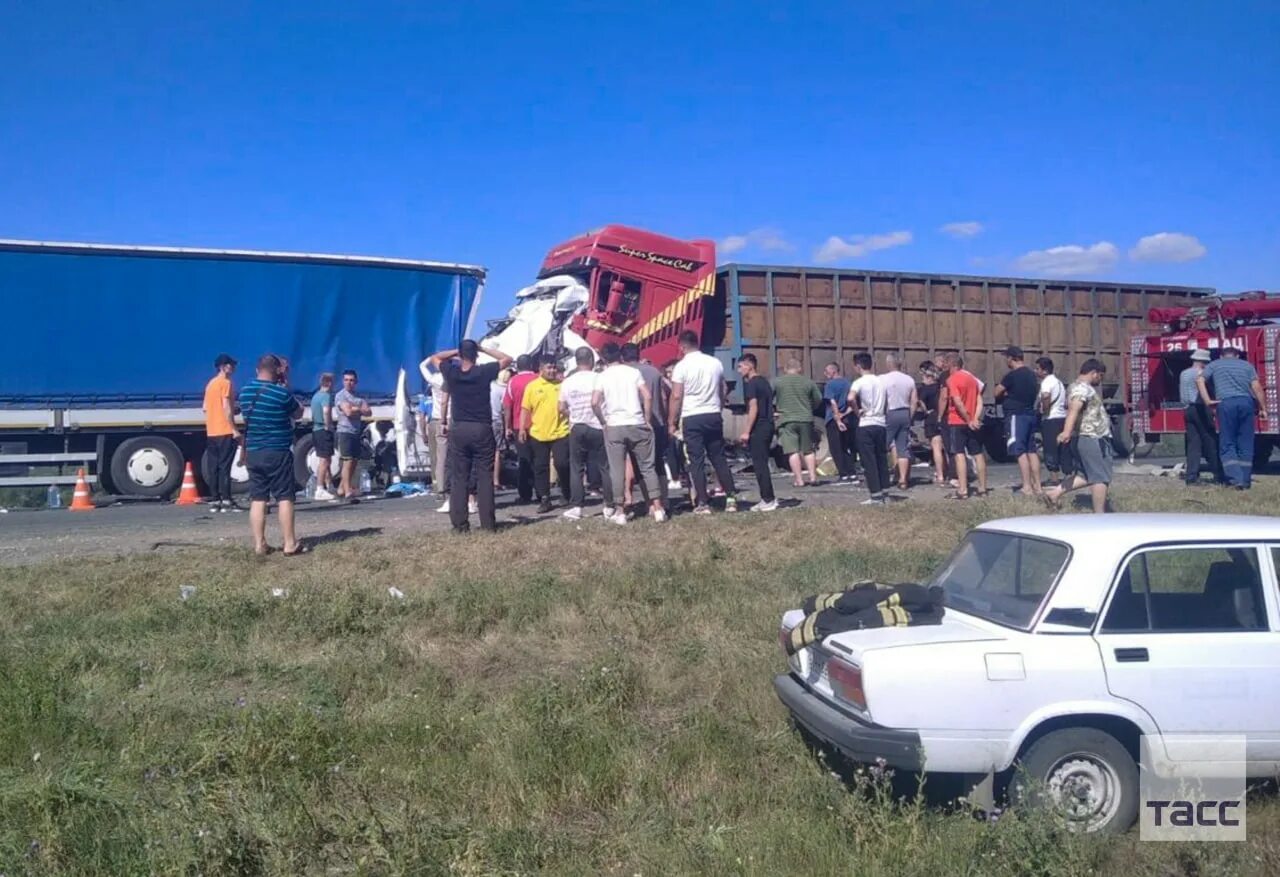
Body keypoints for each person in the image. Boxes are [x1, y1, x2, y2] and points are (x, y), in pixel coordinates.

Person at [425, 340, 512, 532]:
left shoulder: (452, 373)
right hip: (481, 427)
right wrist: (481, 348)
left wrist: (457, 351)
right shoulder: (484, 372)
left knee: (459, 477)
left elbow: (435, 358)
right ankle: (488, 524)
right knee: (484, 477)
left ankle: (460, 524)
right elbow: (507, 359)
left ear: (461, 356)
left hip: (459, 428)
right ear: (476, 356)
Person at [592, 343, 667, 524]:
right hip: (637, 422)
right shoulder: (633, 373)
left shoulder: (602, 376)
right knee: (648, 467)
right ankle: (657, 508)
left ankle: (620, 511)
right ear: (621, 356)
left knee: (617, 470)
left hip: (615, 425)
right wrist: (647, 419)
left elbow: (594, 402)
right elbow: (647, 396)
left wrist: (603, 422)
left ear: (603, 358)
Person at [237, 353, 304, 554]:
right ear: (277, 371)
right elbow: (298, 413)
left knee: (258, 498)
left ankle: (259, 544)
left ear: (258, 369)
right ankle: (289, 543)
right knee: (285, 497)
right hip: (277, 450)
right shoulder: (281, 393)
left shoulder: (245, 392)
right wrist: (286, 385)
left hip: (254, 452)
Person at [668, 331, 737, 514]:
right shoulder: (714, 362)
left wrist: (671, 422)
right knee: (719, 457)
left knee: (696, 460)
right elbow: (723, 387)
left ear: (682, 346)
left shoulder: (681, 367)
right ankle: (731, 498)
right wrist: (719, 405)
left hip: (692, 416)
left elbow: (676, 396)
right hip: (713, 413)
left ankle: (703, 502)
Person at [1044, 359, 1112, 513]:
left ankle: (1054, 494)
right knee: (1100, 477)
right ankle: (1100, 515)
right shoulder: (1082, 389)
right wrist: (1066, 431)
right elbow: (1074, 409)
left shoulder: (1075, 387)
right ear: (1094, 373)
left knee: (1086, 475)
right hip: (1090, 437)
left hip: (1086, 436)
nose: (1100, 380)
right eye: (1100, 376)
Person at [1197, 346, 1268, 489]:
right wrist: (1263, 408)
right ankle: (1245, 479)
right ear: (1237, 356)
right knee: (1246, 442)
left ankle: (1236, 479)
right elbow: (1257, 387)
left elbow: (1199, 380)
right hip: (1246, 403)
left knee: (1227, 442)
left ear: (1222, 356)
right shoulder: (1247, 366)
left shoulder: (1215, 364)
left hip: (1226, 403)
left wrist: (1208, 401)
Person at [558, 347, 613, 520]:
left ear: (576, 361)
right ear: (591, 360)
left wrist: (573, 415)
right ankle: (609, 505)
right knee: (605, 466)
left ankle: (577, 506)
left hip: (577, 426)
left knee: (577, 467)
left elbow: (561, 407)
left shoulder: (567, 381)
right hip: (598, 424)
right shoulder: (600, 378)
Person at [522, 354, 572, 513]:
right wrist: (522, 428)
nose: (552, 370)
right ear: (541, 369)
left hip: (561, 432)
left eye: (553, 367)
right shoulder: (532, 386)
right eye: (548, 368)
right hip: (538, 433)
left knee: (562, 463)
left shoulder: (562, 385)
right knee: (540, 466)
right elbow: (525, 409)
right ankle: (544, 498)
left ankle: (566, 491)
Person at [622, 343, 670, 503]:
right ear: (638, 354)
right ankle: (665, 499)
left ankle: (650, 501)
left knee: (640, 466)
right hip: (657, 422)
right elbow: (663, 397)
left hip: (636, 423)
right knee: (658, 463)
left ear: (623, 358)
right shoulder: (654, 371)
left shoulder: (626, 374)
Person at [995, 346, 1042, 496]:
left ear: (1011, 358)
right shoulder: (1031, 375)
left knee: (1019, 450)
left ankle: (1026, 486)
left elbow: (997, 392)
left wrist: (1006, 393)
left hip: (1016, 415)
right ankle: (1038, 486)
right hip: (1029, 413)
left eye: (1007, 358)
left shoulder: (1012, 376)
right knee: (1031, 450)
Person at [943, 352, 987, 499]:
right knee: (978, 453)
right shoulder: (972, 379)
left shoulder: (952, 380)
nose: (946, 367)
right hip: (973, 422)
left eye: (947, 364)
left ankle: (963, 489)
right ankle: (982, 488)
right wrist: (975, 418)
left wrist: (968, 419)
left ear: (953, 365)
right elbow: (979, 400)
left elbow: (957, 402)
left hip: (958, 421)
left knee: (959, 454)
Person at [736, 354, 777, 511]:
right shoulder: (764, 382)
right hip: (768, 425)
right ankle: (767, 498)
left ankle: (768, 499)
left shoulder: (752, 384)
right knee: (762, 463)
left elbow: (754, 407)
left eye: (741, 367)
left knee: (760, 465)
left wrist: (746, 431)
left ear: (750, 366)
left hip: (759, 427)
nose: (739, 371)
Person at [773, 359, 822, 488]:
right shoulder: (808, 382)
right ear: (800, 369)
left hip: (787, 419)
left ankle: (799, 480)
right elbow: (818, 399)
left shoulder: (778, 382)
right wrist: (810, 408)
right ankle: (813, 477)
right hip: (806, 419)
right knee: (808, 450)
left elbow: (768, 397)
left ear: (785, 369)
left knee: (792, 451)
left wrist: (774, 411)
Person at [849, 353, 890, 505]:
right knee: (881, 458)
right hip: (880, 422)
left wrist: (856, 410)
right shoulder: (881, 381)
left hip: (866, 423)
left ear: (858, 366)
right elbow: (887, 402)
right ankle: (886, 491)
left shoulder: (858, 382)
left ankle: (876, 495)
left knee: (869, 461)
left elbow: (850, 398)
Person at [203, 353, 241, 512]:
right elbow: (226, 407)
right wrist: (234, 428)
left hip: (211, 431)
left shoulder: (210, 384)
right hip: (225, 430)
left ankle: (214, 500)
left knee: (214, 467)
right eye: (230, 365)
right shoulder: (225, 383)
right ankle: (226, 499)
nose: (233, 367)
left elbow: (205, 408)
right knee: (225, 466)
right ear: (223, 367)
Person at [1180, 349, 1223, 485]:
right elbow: (1208, 390)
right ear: (1203, 362)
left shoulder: (1184, 373)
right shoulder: (1201, 374)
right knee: (1210, 440)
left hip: (1187, 409)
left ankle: (1191, 477)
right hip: (1200, 408)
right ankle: (1218, 474)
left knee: (1193, 444)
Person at [502, 355, 539, 503]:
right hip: (538, 425)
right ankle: (542, 492)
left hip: (519, 425)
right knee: (539, 459)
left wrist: (507, 426)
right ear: (531, 365)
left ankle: (525, 493)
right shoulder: (538, 379)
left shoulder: (512, 382)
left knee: (523, 460)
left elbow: (507, 406)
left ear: (518, 367)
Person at [881, 353, 918, 491]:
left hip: (890, 412)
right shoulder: (909, 379)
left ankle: (883, 477)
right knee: (903, 448)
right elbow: (914, 401)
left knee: (882, 447)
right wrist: (910, 416)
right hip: (904, 412)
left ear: (889, 364)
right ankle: (903, 480)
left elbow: (881, 399)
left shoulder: (883, 379)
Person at [821, 362, 857, 483]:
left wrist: (837, 418)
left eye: (826, 371)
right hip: (847, 418)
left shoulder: (830, 385)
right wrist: (845, 414)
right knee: (846, 446)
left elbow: (832, 402)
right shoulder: (848, 384)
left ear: (833, 371)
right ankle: (852, 472)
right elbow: (852, 403)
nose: (825, 374)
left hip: (833, 420)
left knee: (836, 448)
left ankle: (843, 474)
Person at [1035, 357, 1067, 478]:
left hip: (1050, 419)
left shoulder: (1046, 382)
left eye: (1038, 369)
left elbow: (1046, 395)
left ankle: (1054, 477)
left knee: (1050, 448)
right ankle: (1066, 475)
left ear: (1045, 371)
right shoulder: (1058, 382)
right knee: (1062, 448)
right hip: (1061, 418)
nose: (1036, 371)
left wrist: (1044, 408)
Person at [307, 373, 336, 501]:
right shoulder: (326, 396)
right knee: (324, 461)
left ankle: (330, 486)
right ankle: (320, 489)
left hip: (315, 430)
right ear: (329, 383)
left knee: (326, 459)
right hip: (323, 430)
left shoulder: (315, 396)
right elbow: (326, 411)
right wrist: (328, 425)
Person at [917, 363, 946, 485]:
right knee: (944, 448)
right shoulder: (941, 386)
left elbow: (921, 403)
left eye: (923, 376)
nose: (922, 379)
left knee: (936, 448)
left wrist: (924, 410)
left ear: (928, 376)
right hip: (943, 416)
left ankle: (940, 475)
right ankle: (946, 471)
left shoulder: (925, 389)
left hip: (931, 418)